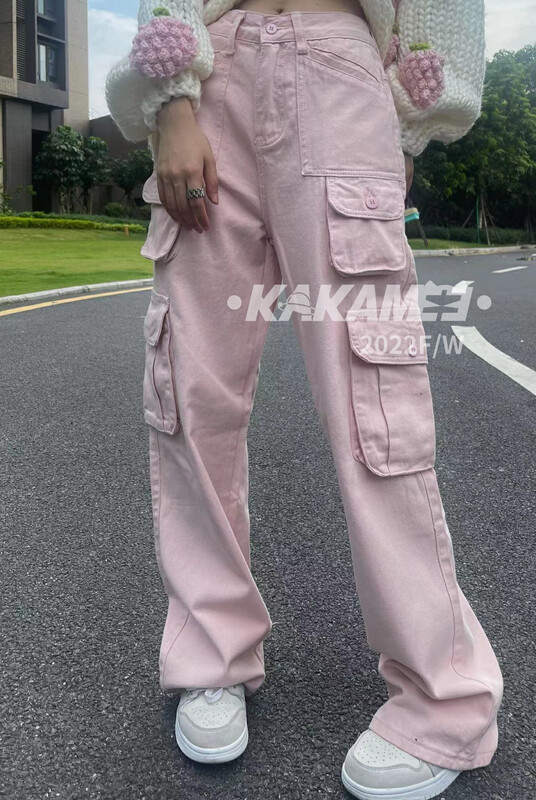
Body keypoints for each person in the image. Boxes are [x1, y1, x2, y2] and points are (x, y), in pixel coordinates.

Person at [105, 0, 503, 797]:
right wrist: (173, 103)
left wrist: (407, 126)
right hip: (210, 77)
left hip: (341, 75)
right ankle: (211, 651)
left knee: (373, 402)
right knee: (190, 394)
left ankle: (446, 697)